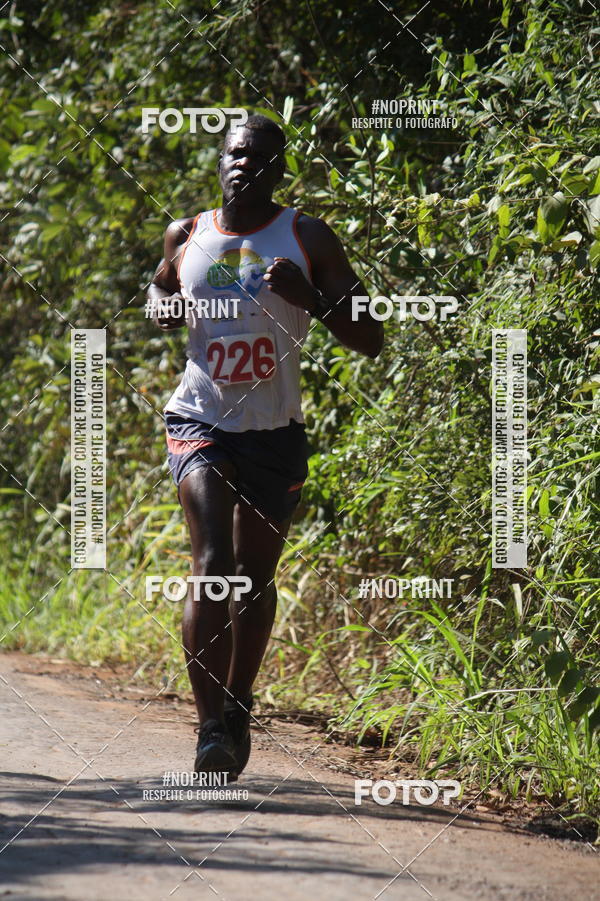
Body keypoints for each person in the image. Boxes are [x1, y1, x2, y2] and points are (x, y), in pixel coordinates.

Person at [147, 112, 383, 779]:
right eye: (233, 154)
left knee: (254, 577)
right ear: (220, 160)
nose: (241, 165)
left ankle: (240, 697)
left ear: (280, 171)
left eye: (258, 158)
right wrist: (157, 303)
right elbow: (161, 284)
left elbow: (372, 337)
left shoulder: (307, 236)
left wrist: (313, 298)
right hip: (199, 419)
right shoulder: (187, 233)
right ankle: (209, 729)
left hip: (276, 434)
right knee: (213, 558)